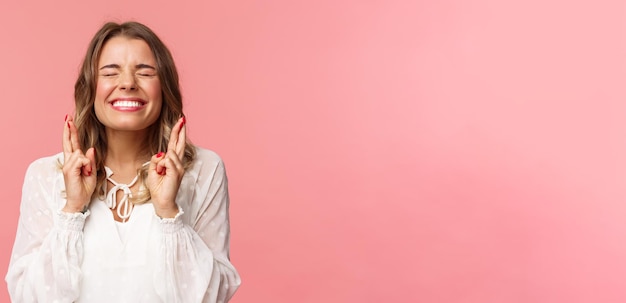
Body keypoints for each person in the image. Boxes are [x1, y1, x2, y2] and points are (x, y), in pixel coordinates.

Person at [5, 21, 241, 302]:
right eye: (110, 72)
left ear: (163, 88)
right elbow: (26, 296)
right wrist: (72, 210)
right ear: (91, 87)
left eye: (145, 72)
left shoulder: (204, 169)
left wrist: (168, 212)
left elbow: (213, 297)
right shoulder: (45, 175)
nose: (128, 83)